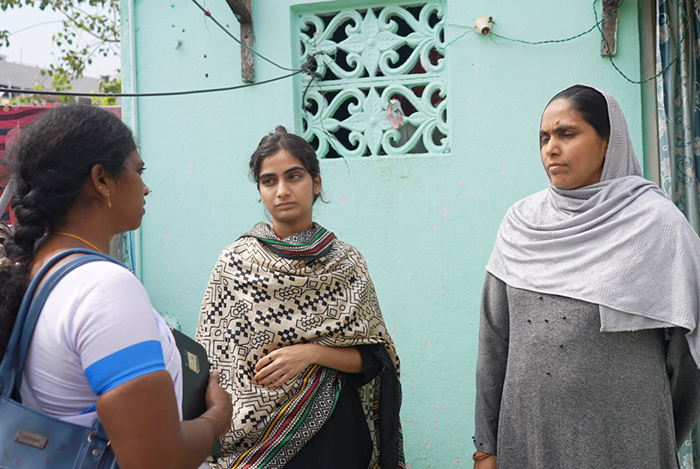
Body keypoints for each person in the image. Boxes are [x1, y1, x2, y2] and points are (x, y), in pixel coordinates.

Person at [473, 84, 700, 468]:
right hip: (530, 439)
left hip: (625, 442)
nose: (551, 148)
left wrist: (651, 428)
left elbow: (688, 357)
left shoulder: (656, 225)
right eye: (544, 137)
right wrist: (486, 447)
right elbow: (494, 342)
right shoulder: (521, 224)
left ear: (608, 142)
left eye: (567, 133)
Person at [0, 105, 233, 469]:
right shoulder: (104, 288)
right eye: (138, 171)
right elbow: (158, 460)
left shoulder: (38, 270)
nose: (146, 187)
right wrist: (218, 417)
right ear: (102, 180)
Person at [196, 126, 403, 469]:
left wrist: (311, 353)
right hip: (253, 440)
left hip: (335, 435)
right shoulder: (235, 263)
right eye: (269, 181)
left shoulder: (346, 263)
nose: (282, 191)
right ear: (260, 190)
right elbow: (214, 364)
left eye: (294, 176)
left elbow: (375, 359)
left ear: (316, 183)